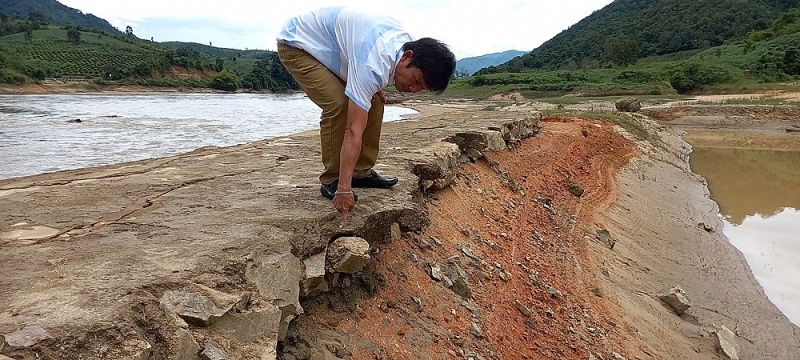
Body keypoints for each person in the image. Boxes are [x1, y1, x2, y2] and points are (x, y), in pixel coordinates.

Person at [276, 6, 456, 228]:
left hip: (336, 48)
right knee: (339, 106)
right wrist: (343, 189)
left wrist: (369, 86)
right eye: (416, 80)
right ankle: (333, 180)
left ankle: (360, 173)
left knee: (376, 101)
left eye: (422, 88)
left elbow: (365, 64)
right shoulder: (372, 63)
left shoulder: (406, 48)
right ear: (407, 57)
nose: (413, 89)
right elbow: (353, 130)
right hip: (299, 44)